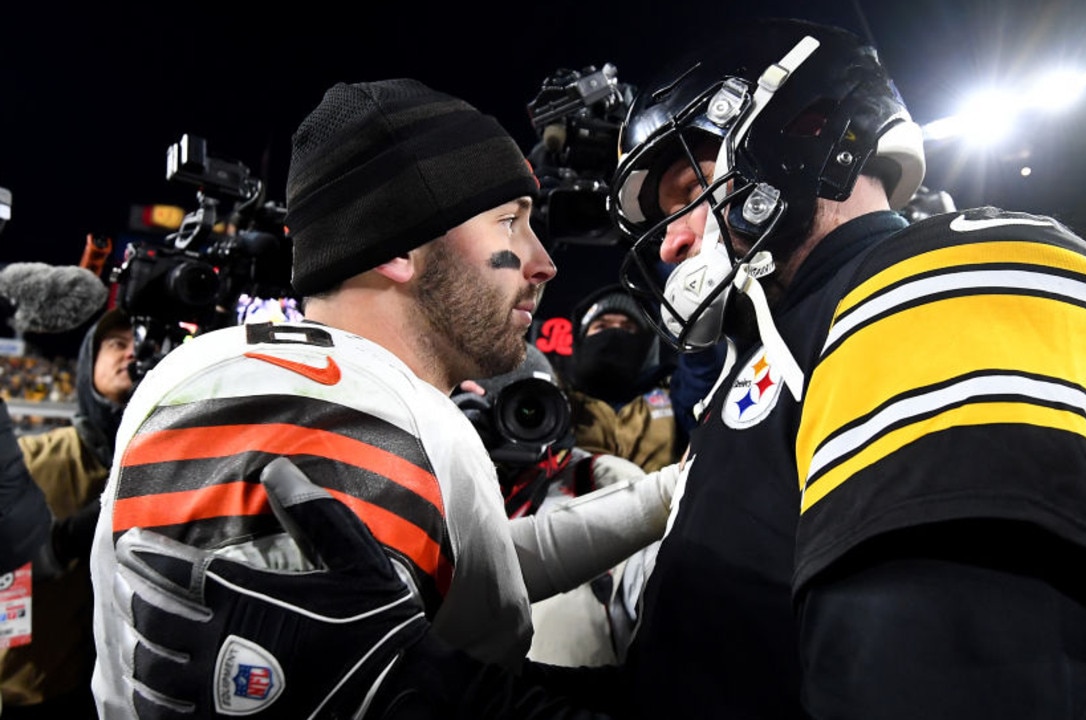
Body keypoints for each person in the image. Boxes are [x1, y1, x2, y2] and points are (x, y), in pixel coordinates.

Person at [116, 18, 1086, 719]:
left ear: (798, 136)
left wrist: (439, 703)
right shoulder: (804, 342)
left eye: (676, 195)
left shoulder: (970, 286)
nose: (665, 243)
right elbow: (713, 686)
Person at [90, 78, 674, 720]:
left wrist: (668, 497)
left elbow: (459, 576)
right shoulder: (332, 403)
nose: (543, 262)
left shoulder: (291, 376)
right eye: (509, 221)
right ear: (398, 249)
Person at [455, 342, 648, 667]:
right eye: (506, 404)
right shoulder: (436, 482)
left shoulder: (605, 481)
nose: (522, 419)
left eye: (533, 405)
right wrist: (448, 438)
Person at [1, 308, 134, 718]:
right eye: (117, 344)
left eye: (141, 342)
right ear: (87, 364)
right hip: (28, 691)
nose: (132, 353)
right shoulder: (34, 460)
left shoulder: (172, 468)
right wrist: (57, 544)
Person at [564, 285, 682, 472]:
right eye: (601, 326)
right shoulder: (558, 400)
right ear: (580, 339)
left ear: (646, 346)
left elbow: (705, 367)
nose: (614, 335)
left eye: (628, 328)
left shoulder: (675, 397)